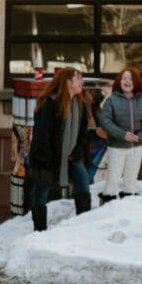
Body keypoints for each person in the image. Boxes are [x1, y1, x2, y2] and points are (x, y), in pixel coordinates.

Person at [28, 67, 90, 231]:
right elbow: (42, 135)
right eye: (78, 79)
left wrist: (76, 152)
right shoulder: (49, 103)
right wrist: (47, 161)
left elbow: (83, 132)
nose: (81, 83)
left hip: (70, 157)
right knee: (41, 191)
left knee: (83, 182)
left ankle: (83, 226)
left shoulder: (80, 104)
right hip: (46, 158)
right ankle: (39, 230)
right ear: (68, 82)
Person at [96, 67, 142, 203]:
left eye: (131, 79)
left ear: (136, 82)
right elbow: (105, 121)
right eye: (124, 78)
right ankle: (106, 205)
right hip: (117, 147)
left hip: (137, 147)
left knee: (130, 180)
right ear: (119, 81)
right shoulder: (112, 100)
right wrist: (123, 135)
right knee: (113, 179)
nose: (127, 81)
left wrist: (138, 137)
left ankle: (126, 213)